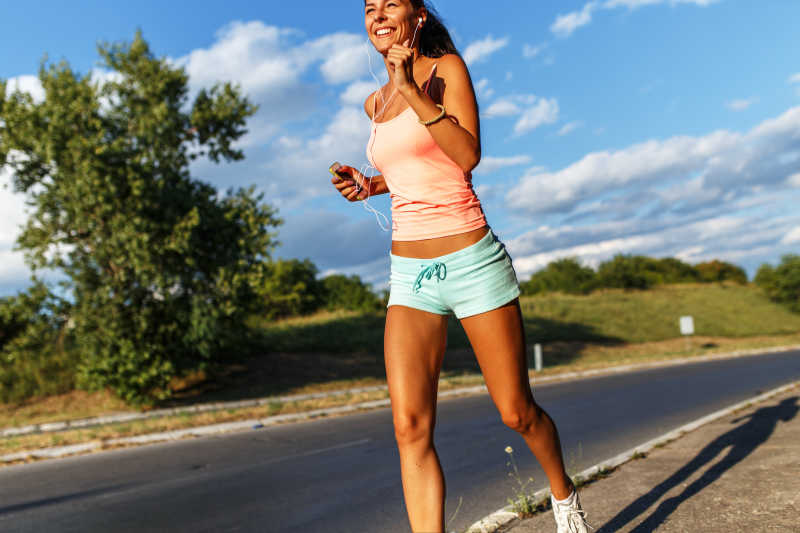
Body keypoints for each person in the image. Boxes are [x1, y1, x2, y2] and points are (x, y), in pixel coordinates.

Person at [330, 2, 592, 532]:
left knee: (517, 412)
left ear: (417, 17)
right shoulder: (372, 103)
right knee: (409, 428)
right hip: (410, 276)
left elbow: (466, 155)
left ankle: (564, 497)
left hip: (472, 261)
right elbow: (413, 170)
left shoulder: (444, 70)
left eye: (391, 5)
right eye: (369, 7)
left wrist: (409, 89)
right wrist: (370, 184)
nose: (378, 15)